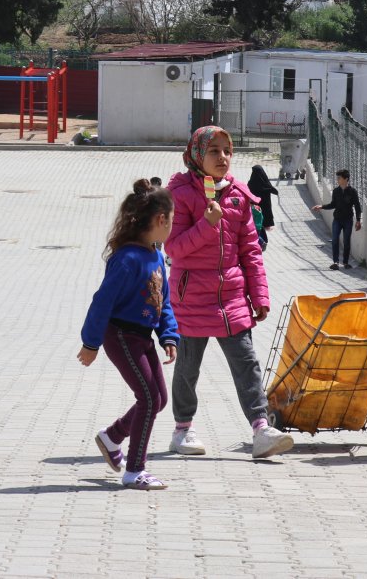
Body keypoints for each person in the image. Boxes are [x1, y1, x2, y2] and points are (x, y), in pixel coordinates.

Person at [165, 126, 298, 460]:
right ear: (197, 155)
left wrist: (260, 296)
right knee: (188, 368)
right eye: (214, 151)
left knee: (247, 363)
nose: (222, 157)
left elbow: (251, 251)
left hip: (232, 300)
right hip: (191, 298)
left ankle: (261, 429)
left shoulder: (239, 194)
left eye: (227, 151)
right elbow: (175, 249)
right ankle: (182, 430)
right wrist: (206, 224)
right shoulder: (180, 194)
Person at [78, 179, 180, 490]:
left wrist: (169, 336)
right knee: (148, 399)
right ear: (160, 220)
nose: (172, 227)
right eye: (172, 221)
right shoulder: (127, 259)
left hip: (143, 336)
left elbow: (162, 301)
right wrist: (90, 343)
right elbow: (102, 302)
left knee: (159, 399)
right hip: (120, 335)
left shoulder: (156, 256)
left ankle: (112, 437)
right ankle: (135, 470)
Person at [312, 169, 362, 269]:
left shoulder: (352, 192)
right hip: (337, 220)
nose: (337, 180)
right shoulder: (336, 191)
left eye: (339, 178)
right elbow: (333, 204)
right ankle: (335, 262)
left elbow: (357, 206)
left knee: (346, 241)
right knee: (335, 239)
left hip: (348, 220)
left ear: (346, 179)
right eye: (337, 178)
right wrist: (321, 207)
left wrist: (358, 220)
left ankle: (345, 262)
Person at [248, 165, 278, 249]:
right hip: (265, 208)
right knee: (261, 225)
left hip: (255, 209)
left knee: (257, 226)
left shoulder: (251, 183)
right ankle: (262, 240)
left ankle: (261, 241)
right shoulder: (265, 182)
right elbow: (271, 188)